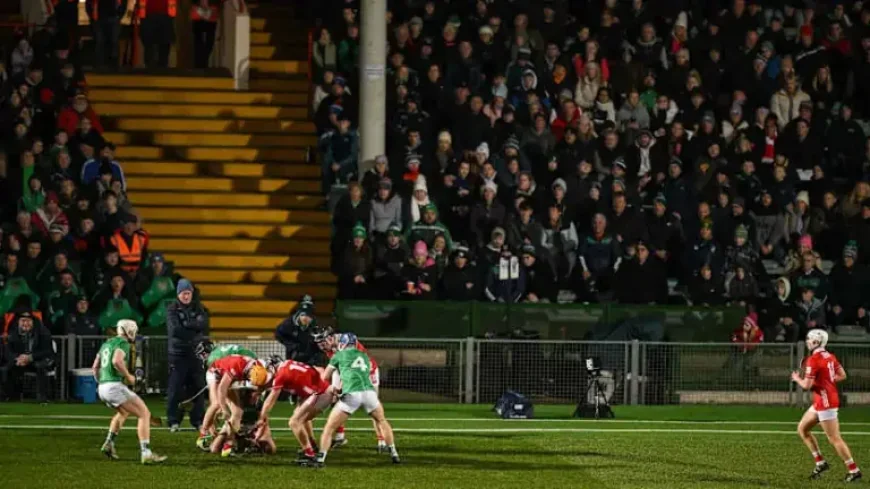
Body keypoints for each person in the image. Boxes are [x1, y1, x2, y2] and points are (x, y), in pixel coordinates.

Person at [314, 333, 399, 467]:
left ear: (343, 344)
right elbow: (358, 373)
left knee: (329, 428)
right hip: (369, 393)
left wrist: (334, 386)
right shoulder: (365, 356)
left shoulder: (338, 355)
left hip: (352, 395)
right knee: (382, 421)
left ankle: (320, 458)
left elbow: (325, 377)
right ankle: (394, 453)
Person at [792, 329, 862, 482]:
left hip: (826, 402)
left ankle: (854, 470)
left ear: (816, 342)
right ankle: (820, 462)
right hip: (822, 400)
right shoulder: (830, 356)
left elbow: (807, 385)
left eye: (809, 339)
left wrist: (797, 378)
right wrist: (826, 381)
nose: (807, 342)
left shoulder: (814, 359)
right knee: (802, 429)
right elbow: (842, 375)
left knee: (834, 438)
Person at [93, 320, 167, 464]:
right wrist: (129, 377)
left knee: (123, 412)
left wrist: (101, 383)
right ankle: (146, 452)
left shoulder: (107, 343)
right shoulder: (123, 343)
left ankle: (109, 443)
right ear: (130, 331)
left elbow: (95, 367)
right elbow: (116, 361)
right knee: (144, 414)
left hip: (103, 387)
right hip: (114, 386)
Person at [258, 358, 334, 464]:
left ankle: (309, 454)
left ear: (272, 367)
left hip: (319, 395)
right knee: (299, 416)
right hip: (322, 392)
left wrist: (262, 417)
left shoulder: (281, 374)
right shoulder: (288, 364)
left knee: (294, 422)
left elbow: (270, 401)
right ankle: (311, 444)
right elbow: (317, 369)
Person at [195, 341, 258, 450]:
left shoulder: (214, 358)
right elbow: (221, 387)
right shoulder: (250, 363)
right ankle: (203, 433)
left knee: (231, 409)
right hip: (224, 373)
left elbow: (222, 387)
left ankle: (229, 439)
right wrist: (222, 408)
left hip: (232, 372)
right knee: (217, 404)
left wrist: (222, 407)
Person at [165, 278, 209, 432]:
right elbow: (175, 330)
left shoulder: (198, 307)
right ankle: (173, 420)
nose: (186, 296)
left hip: (195, 354)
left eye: (188, 293)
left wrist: (187, 326)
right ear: (178, 294)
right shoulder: (172, 309)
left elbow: (203, 324)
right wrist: (194, 330)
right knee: (176, 388)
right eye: (183, 293)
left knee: (198, 387)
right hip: (177, 355)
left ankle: (198, 420)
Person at [209, 354, 270, 456]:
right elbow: (222, 388)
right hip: (217, 376)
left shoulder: (259, 371)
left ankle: (233, 443)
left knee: (270, 447)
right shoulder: (236, 367)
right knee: (234, 411)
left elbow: (263, 386)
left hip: (233, 379)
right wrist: (224, 409)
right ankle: (227, 442)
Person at [1, 310, 55, 402]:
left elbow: (48, 351)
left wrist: (30, 357)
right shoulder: (13, 333)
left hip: (38, 359)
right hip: (20, 360)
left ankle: (43, 397)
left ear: (33, 322)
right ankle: (11, 397)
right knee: (7, 369)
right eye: (23, 321)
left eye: (28, 321)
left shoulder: (43, 332)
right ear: (18, 322)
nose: (25, 323)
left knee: (40, 367)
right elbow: (8, 351)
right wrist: (17, 358)